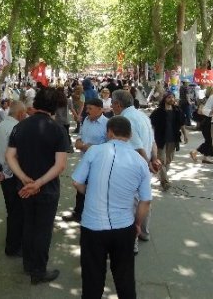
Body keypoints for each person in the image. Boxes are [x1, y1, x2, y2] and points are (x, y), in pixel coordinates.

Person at [72, 116, 152, 299]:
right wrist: (137, 223)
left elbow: (77, 182)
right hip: (124, 227)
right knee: (125, 278)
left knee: (92, 278)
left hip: (92, 226)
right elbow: (145, 201)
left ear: (109, 132)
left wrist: (91, 192)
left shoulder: (93, 152)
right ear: (130, 134)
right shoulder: (140, 161)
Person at [6, 87, 68, 285]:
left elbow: (9, 157)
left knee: (28, 225)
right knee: (43, 229)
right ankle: (38, 270)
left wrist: (25, 179)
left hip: (24, 187)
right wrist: (39, 182)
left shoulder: (20, 126)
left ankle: (28, 264)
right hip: (47, 189)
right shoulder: (57, 129)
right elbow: (60, 165)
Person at [111, 90, 160, 252]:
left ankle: (132, 243)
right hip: (143, 166)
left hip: (133, 168)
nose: (111, 107)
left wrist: (148, 164)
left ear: (118, 104)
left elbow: (138, 147)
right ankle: (144, 232)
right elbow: (153, 142)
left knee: (131, 205)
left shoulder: (126, 119)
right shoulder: (142, 115)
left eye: (112, 103)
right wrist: (154, 159)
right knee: (145, 200)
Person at [0, 101, 27, 257]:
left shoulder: (1, 126)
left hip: (4, 174)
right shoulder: (15, 128)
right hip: (12, 174)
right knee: (17, 212)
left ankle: (13, 244)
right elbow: (14, 156)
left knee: (12, 211)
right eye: (24, 114)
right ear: (20, 114)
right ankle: (13, 247)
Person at [62, 98, 108, 223]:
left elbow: (108, 145)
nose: (87, 111)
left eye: (90, 109)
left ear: (100, 109)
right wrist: (78, 141)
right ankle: (78, 214)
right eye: (87, 108)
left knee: (95, 189)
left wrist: (90, 147)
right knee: (79, 187)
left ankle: (94, 215)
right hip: (84, 161)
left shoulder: (107, 124)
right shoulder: (86, 121)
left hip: (99, 164)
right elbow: (81, 136)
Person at [150, 92, 188, 191]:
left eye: (173, 97)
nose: (171, 99)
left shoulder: (177, 111)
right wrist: (151, 137)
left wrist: (185, 135)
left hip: (173, 139)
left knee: (168, 161)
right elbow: (151, 125)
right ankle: (165, 182)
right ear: (165, 99)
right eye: (169, 97)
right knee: (162, 160)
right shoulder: (158, 112)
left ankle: (161, 174)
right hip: (161, 140)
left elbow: (182, 124)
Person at [190, 86, 213, 164]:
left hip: (208, 122)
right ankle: (195, 152)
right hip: (207, 123)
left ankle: (205, 157)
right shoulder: (207, 100)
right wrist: (212, 112)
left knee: (209, 141)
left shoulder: (207, 99)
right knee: (210, 140)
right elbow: (200, 111)